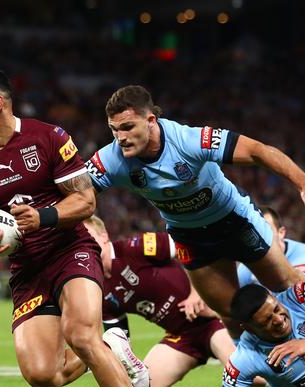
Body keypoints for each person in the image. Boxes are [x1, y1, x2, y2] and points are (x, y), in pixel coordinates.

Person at [0, 66, 163, 387]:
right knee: (43, 376)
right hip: (26, 269)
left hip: (70, 249)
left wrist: (43, 216)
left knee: (81, 334)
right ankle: (113, 344)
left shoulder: (49, 138)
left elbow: (85, 201)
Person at [87, 85, 305, 336]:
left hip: (234, 220)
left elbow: (257, 151)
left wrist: (301, 182)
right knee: (231, 315)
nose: (120, 137)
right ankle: (270, 373)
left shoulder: (190, 140)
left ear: (150, 121)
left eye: (127, 127)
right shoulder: (111, 159)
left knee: (290, 288)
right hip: (189, 237)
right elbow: (79, 192)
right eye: (114, 130)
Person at [83, 216, 236, 387]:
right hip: (181, 337)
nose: (86, 247)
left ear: (104, 236)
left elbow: (190, 246)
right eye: (80, 244)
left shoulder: (133, 247)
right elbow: (119, 346)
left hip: (211, 320)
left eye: (89, 238)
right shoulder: (98, 289)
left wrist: (196, 292)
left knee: (247, 376)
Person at [211, 283, 305, 387]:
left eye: (277, 309)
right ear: (248, 328)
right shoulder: (245, 357)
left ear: (273, 297)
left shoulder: (299, 297)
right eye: (267, 321)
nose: (279, 320)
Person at [238, 206, 305, 286]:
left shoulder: (302, 255)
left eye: (267, 231)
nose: (262, 238)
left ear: (281, 233)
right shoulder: (247, 269)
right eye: (256, 232)